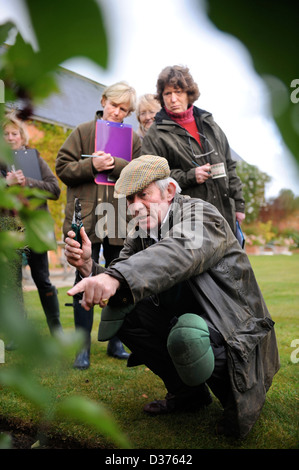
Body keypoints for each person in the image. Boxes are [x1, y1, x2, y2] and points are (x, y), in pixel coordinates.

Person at [64, 155, 279, 438]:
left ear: (169, 191)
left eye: (144, 195)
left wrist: (115, 278)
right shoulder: (140, 230)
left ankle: (237, 397)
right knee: (122, 310)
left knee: (187, 335)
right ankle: (188, 394)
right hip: (185, 318)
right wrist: (88, 267)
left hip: (232, 327)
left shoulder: (202, 215)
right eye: (130, 200)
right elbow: (125, 274)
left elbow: (177, 253)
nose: (136, 206)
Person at [56, 81, 141, 369]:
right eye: (114, 105)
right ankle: (83, 349)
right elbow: (63, 168)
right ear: (104, 100)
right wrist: (92, 166)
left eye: (124, 110)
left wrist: (114, 164)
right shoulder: (82, 131)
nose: (118, 112)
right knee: (83, 279)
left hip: (118, 215)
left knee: (116, 278)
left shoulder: (134, 139)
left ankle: (116, 340)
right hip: (85, 216)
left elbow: (141, 174)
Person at [141, 65, 245, 234]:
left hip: (224, 217)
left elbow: (229, 167)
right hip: (187, 221)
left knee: (231, 261)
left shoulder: (210, 124)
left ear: (189, 94)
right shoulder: (156, 133)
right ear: (162, 97)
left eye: (178, 92)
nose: (173, 99)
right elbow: (151, 177)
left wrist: (239, 205)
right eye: (167, 93)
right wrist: (190, 176)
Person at [1, 112, 63, 337]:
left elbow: (54, 189)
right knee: (12, 284)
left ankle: (56, 330)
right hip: (8, 230)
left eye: (14, 133)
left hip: (34, 229)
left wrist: (27, 181)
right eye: (5, 133)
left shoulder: (33, 158)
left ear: (22, 136)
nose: (10, 137)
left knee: (43, 280)